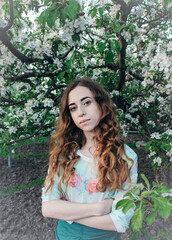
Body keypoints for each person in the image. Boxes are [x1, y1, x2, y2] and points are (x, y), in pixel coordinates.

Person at [42, 77, 138, 240]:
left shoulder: (126, 157)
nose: (81, 112)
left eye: (87, 102)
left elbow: (120, 222)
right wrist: (99, 208)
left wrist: (67, 211)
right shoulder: (63, 154)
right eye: (73, 108)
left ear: (101, 104)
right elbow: (48, 208)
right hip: (66, 236)